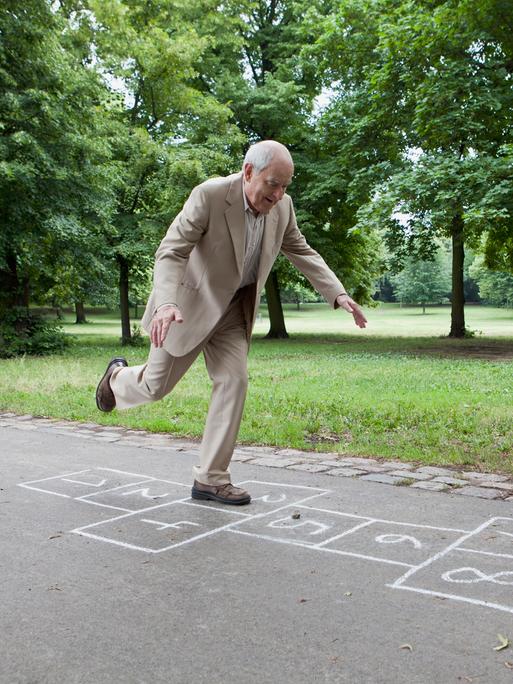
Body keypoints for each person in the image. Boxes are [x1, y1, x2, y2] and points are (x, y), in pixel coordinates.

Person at [95, 140, 367, 506]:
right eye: (273, 183)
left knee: (234, 381)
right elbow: (171, 251)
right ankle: (116, 379)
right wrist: (166, 304)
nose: (279, 193)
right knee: (155, 387)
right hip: (187, 307)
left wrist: (338, 293)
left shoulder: (282, 208)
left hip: (234, 312)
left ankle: (211, 479)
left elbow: (300, 248)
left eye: (286, 185)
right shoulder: (210, 196)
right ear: (248, 171)